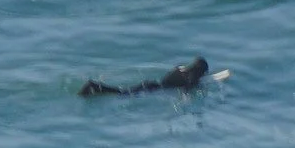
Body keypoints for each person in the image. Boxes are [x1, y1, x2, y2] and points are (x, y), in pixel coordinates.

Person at [80, 57, 212, 98]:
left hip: (152, 84)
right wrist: (198, 86)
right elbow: (187, 90)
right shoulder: (192, 76)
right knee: (121, 94)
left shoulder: (180, 68)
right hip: (154, 89)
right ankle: (94, 87)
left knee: (123, 92)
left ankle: (95, 87)